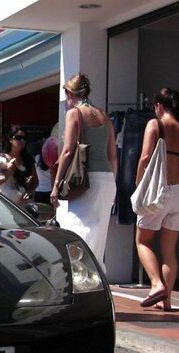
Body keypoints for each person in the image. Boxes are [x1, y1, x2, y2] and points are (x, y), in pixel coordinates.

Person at [50, 73, 118, 270]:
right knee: (98, 232)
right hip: (107, 179)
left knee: (75, 227)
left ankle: (79, 274)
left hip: (86, 179)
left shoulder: (74, 113)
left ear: (70, 93)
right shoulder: (104, 116)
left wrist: (56, 184)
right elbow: (113, 155)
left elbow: (68, 150)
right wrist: (112, 181)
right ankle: (96, 274)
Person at [135, 88, 179, 310]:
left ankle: (155, 284)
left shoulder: (156, 124)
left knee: (143, 240)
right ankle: (167, 301)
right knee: (169, 249)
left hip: (158, 191)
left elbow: (145, 156)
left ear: (159, 106)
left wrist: (137, 182)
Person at [0, 126, 38, 205]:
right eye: (18, 137)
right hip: (6, 202)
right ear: (10, 140)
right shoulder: (1, 159)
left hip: (25, 203)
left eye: (24, 138)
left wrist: (30, 192)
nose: (22, 140)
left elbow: (35, 181)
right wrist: (10, 170)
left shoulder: (28, 159)